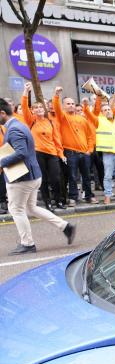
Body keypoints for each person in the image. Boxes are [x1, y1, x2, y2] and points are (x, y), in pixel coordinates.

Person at [0, 98, 76, 255]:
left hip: (22, 178)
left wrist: (1, 162)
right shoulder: (19, 125)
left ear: (2, 113)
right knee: (31, 208)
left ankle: (27, 244)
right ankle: (65, 227)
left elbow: (21, 153)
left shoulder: (14, 129)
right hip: (32, 176)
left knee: (16, 209)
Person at [20, 83, 65, 211]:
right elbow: (24, 106)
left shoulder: (50, 121)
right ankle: (47, 202)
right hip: (38, 153)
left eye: (41, 107)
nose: (39, 109)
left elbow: (56, 140)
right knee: (43, 179)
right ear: (33, 110)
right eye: (36, 107)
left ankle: (58, 200)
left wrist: (61, 154)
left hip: (52, 153)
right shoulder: (31, 120)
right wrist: (26, 91)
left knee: (56, 178)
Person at [53, 87, 95, 205]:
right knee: (72, 176)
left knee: (87, 176)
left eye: (72, 103)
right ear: (64, 106)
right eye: (68, 104)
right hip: (70, 152)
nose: (71, 105)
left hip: (84, 153)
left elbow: (90, 136)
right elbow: (56, 108)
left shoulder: (82, 119)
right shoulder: (62, 117)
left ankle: (89, 196)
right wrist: (56, 95)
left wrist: (90, 149)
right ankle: (73, 197)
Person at [85, 101, 115, 204]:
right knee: (108, 176)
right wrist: (85, 106)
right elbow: (89, 114)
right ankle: (108, 195)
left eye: (109, 109)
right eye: (105, 110)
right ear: (102, 113)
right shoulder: (99, 121)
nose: (107, 111)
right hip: (108, 153)